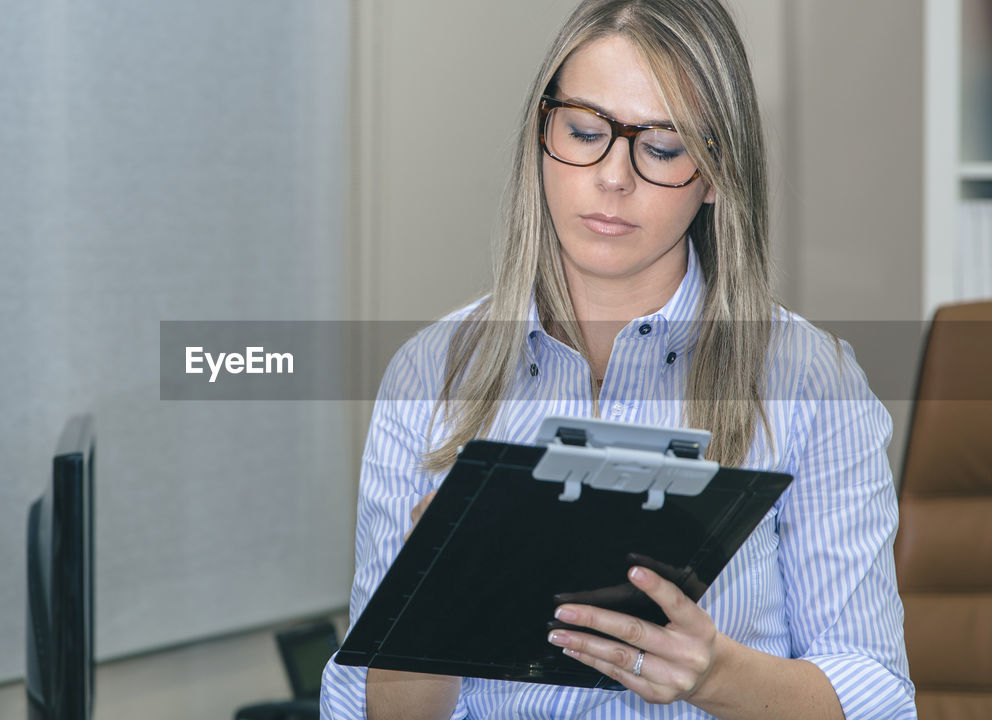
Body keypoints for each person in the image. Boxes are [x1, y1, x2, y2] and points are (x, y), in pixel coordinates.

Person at [320, 0, 916, 718]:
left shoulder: (810, 381)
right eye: (584, 131)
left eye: (662, 148)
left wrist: (713, 673)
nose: (613, 176)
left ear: (717, 174)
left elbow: (880, 698)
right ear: (542, 137)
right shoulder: (429, 374)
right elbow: (362, 708)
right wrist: (428, 604)